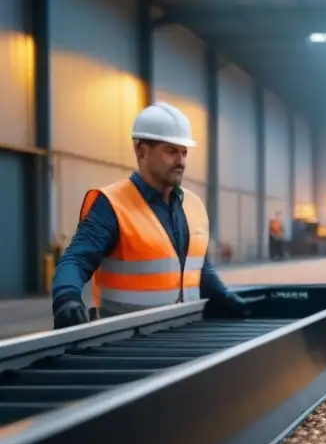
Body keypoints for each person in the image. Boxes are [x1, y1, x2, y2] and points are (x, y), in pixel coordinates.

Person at [51, 102, 251, 328]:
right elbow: (76, 260)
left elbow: (196, 266)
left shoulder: (193, 205)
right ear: (141, 150)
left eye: (184, 152)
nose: (181, 162)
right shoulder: (111, 205)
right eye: (171, 151)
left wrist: (223, 295)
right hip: (126, 345)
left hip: (187, 337)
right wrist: (66, 299)